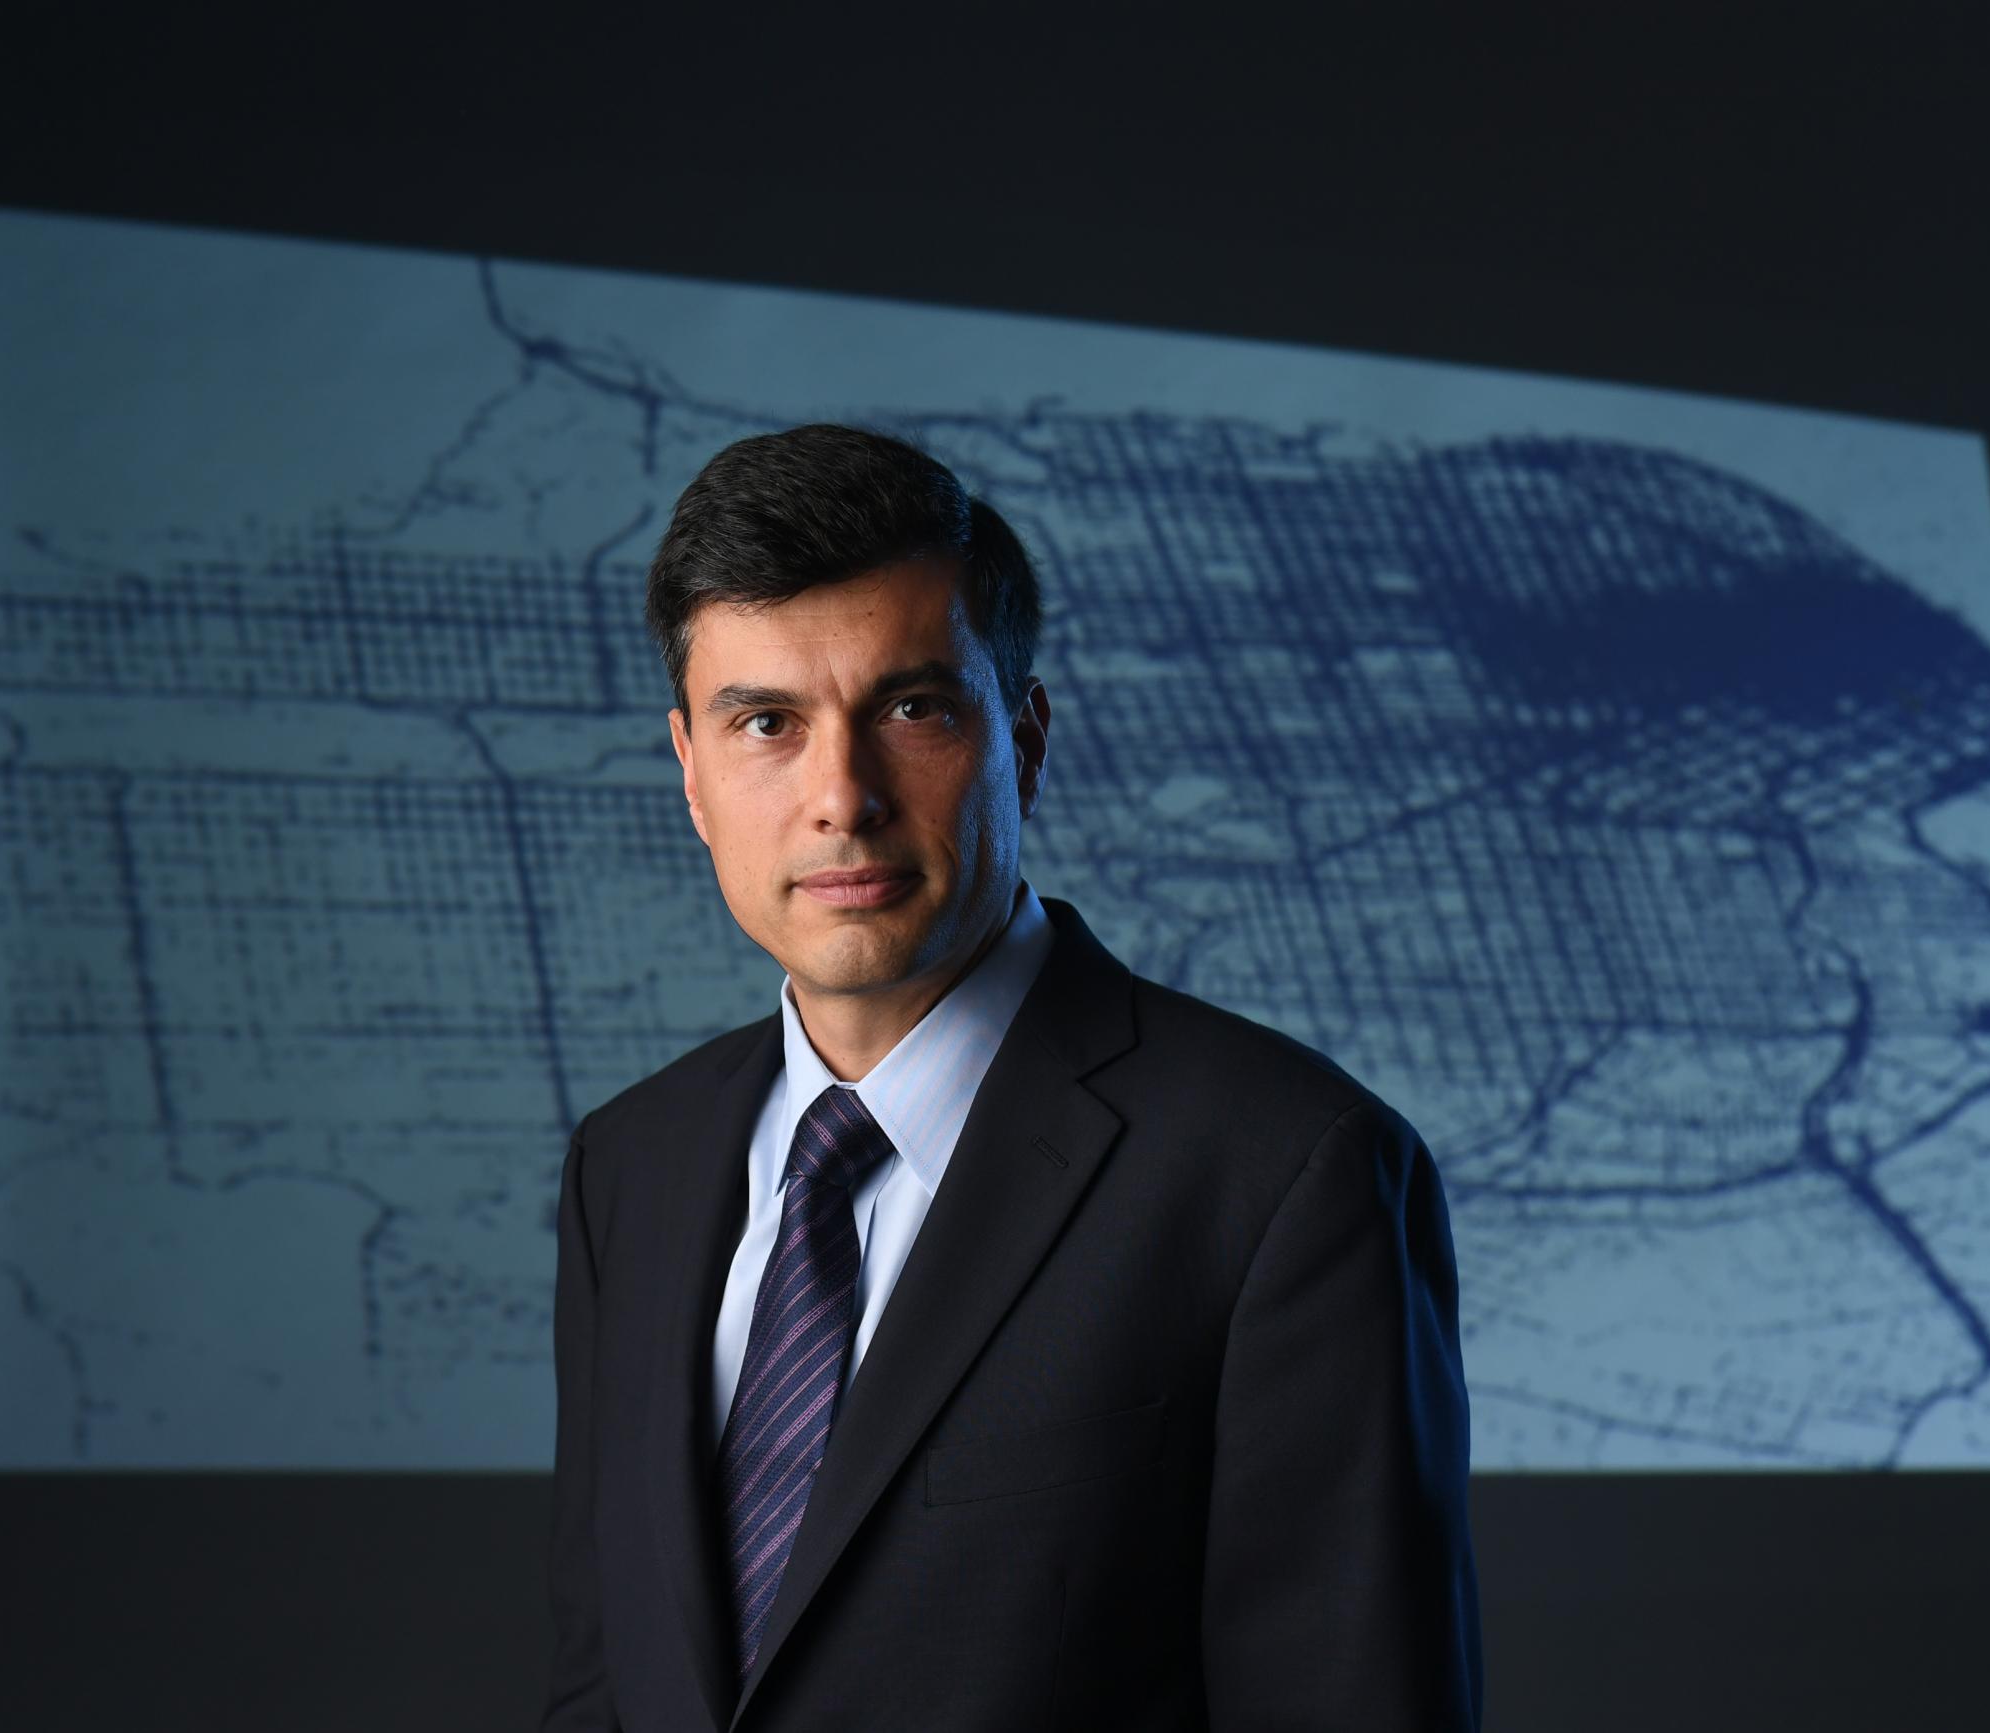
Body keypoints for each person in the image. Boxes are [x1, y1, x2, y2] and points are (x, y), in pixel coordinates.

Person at [543, 424, 1481, 1731]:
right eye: (766, 722)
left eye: (911, 708)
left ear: (1024, 737)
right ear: (692, 775)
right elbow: (607, 1677)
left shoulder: (1286, 1172)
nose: (842, 796)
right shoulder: (628, 1166)